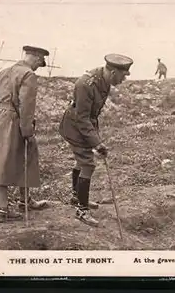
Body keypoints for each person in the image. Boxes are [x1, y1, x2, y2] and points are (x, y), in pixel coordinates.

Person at [0, 45, 50, 222]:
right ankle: (13, 205)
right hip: (14, 121)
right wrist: (27, 131)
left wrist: (0, 105)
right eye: (39, 63)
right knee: (26, 155)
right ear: (37, 59)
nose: (38, 66)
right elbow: (27, 106)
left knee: (1, 161)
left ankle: (13, 204)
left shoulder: (5, 71)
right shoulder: (28, 74)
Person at [59, 53, 133, 227]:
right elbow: (82, 117)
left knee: (81, 163)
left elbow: (94, 114)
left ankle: (77, 198)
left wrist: (96, 139)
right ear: (113, 72)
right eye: (122, 76)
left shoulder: (105, 81)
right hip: (75, 126)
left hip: (85, 124)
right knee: (88, 165)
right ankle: (82, 211)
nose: (123, 80)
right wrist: (96, 143)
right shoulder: (86, 84)